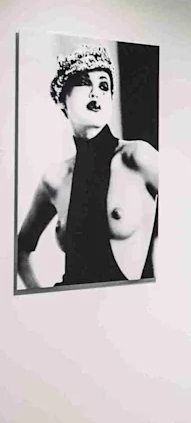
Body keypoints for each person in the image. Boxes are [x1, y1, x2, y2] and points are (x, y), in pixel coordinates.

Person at [17, 44, 159, 288]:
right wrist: (38, 299)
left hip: (130, 312)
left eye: (104, 85)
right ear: (63, 100)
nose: (96, 92)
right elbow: (20, 249)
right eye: (84, 82)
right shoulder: (55, 178)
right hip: (69, 314)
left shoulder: (137, 157)